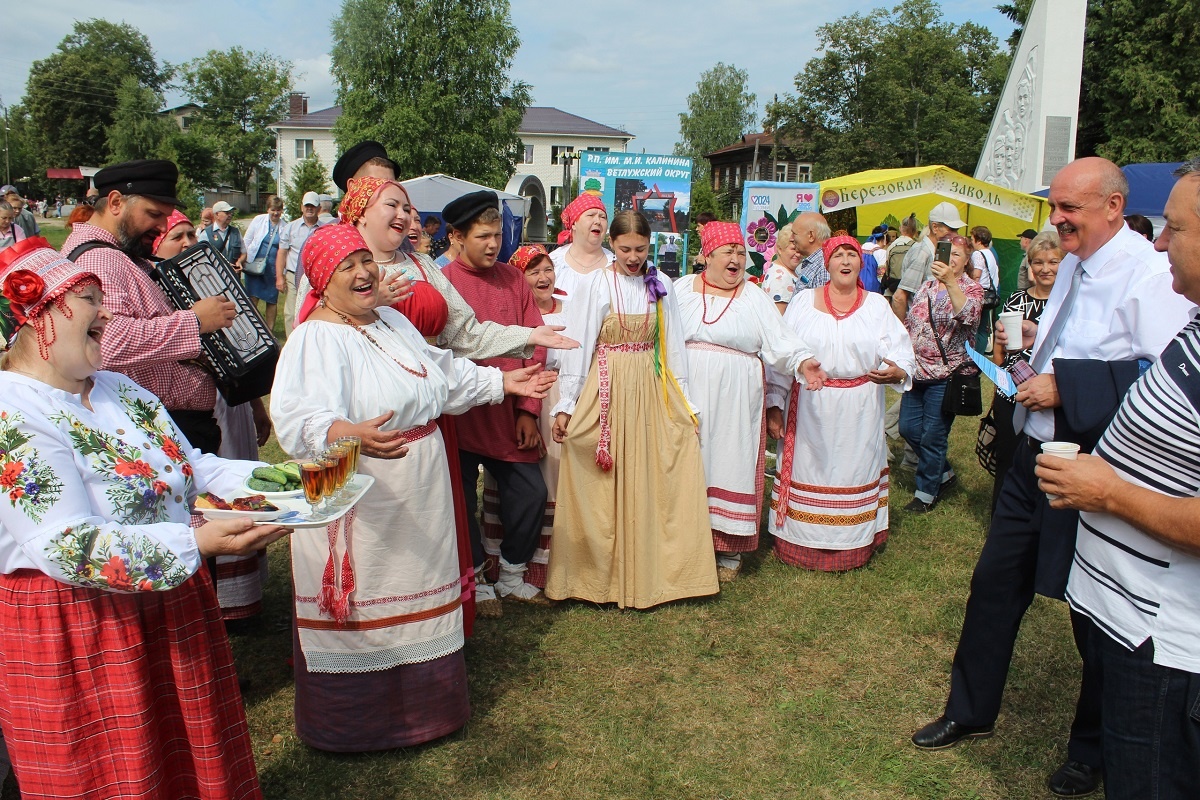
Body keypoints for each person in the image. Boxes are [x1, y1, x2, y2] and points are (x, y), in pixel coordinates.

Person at [910, 157, 1195, 799]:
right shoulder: (1070, 264)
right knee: (994, 582)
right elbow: (1085, 341)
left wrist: (1066, 383)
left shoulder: (1151, 275)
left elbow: (1162, 372)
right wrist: (1037, 344)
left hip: (1092, 467)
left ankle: (1090, 749)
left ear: (1114, 206)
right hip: (1032, 456)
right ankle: (970, 708)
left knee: (1095, 614)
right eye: (1054, 207)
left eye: (1070, 208)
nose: (1056, 219)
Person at [0, 238, 288, 798]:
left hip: (168, 604)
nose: (107, 314)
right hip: (84, 624)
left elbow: (192, 464)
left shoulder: (117, 387)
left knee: (184, 760)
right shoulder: (13, 413)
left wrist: (293, 485)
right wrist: (196, 544)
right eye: (89, 298)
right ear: (39, 317)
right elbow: (63, 544)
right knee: (116, 776)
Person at [270, 223, 555, 752]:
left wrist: (504, 382)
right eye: (345, 266)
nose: (361, 273)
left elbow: (442, 374)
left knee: (419, 588)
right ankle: (356, 726)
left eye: (364, 261)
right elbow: (296, 418)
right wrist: (346, 434)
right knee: (375, 595)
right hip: (365, 486)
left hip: (417, 483)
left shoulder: (389, 321)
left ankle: (429, 714)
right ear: (320, 281)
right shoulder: (316, 336)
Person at [331, 175, 578, 626]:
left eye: (408, 208)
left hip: (436, 407)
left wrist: (528, 336)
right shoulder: (338, 270)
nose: (406, 216)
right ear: (360, 213)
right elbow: (318, 337)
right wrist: (370, 303)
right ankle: (373, 620)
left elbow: (462, 335)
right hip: (372, 420)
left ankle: (434, 613)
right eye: (394, 205)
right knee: (384, 527)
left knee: (437, 512)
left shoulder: (422, 267)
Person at [1035, 158, 1200, 800]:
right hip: (1132, 624)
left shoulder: (1151, 283)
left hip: (1168, 647)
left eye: (1175, 229)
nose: (1158, 242)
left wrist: (1108, 492)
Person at [547, 210, 718, 608]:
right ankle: (595, 578)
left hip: (650, 382)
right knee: (597, 474)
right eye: (625, 248)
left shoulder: (662, 285)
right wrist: (568, 404)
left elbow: (672, 344)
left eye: (641, 248)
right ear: (612, 243)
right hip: (606, 383)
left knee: (656, 472)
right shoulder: (597, 284)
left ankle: (659, 574)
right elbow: (580, 345)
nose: (634, 256)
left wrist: (685, 401)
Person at [674, 221, 825, 580]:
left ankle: (728, 549)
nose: (737, 258)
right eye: (729, 251)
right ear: (708, 256)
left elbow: (780, 339)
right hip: (687, 390)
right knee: (687, 461)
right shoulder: (680, 289)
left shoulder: (754, 296)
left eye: (742, 252)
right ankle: (684, 540)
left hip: (736, 398)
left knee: (730, 459)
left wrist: (802, 360)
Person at [61, 159, 239, 455]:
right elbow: (109, 343)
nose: (161, 227)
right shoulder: (100, 259)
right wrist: (195, 322)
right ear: (116, 202)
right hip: (151, 429)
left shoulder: (119, 254)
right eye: (154, 214)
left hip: (160, 423)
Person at [152, 209, 272, 620]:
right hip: (186, 408)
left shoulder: (209, 281)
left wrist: (255, 402)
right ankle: (216, 601)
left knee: (232, 474)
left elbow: (240, 347)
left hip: (227, 402)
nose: (187, 244)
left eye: (190, 235)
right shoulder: (157, 296)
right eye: (176, 238)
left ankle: (240, 596)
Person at [767, 235, 914, 570]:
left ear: (861, 264)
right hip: (810, 407)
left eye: (852, 255)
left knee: (852, 471)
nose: (845, 261)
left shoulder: (876, 306)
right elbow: (782, 352)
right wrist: (775, 402)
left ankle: (851, 547)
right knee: (811, 469)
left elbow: (901, 350)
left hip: (859, 409)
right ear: (827, 263)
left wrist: (898, 371)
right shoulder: (803, 302)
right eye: (838, 256)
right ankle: (799, 545)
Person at [441, 191, 549, 607]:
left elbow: (535, 344)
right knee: (460, 500)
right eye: (483, 235)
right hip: (461, 414)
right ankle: (477, 583)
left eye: (498, 234)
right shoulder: (444, 281)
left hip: (508, 413)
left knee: (531, 493)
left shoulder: (514, 278)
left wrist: (527, 411)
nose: (493, 244)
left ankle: (511, 572)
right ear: (457, 236)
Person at [898, 233, 982, 514]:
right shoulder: (926, 287)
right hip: (917, 373)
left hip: (947, 375)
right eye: (945, 253)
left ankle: (925, 493)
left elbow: (968, 316)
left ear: (967, 260)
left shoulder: (972, 289)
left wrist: (950, 281)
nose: (949, 259)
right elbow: (913, 322)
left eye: (956, 255)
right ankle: (943, 472)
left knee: (933, 435)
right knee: (908, 428)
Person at [987, 231, 1061, 513]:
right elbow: (999, 351)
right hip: (1012, 391)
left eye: (1053, 262)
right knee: (1008, 454)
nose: (1045, 269)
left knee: (1042, 458)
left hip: (1050, 391)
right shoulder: (1017, 300)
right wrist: (998, 384)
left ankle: (1037, 516)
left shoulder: (1067, 302)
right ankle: (1001, 515)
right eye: (1038, 262)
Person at [891, 202, 965, 319]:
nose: (955, 234)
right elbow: (899, 297)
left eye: (956, 229)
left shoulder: (937, 252)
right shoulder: (922, 253)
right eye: (951, 229)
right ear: (935, 227)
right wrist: (903, 334)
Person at [275, 191, 322, 336]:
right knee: (290, 311)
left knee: (312, 309)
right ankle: (291, 342)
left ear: (319, 208)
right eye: (307, 206)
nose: (309, 209)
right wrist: (279, 277)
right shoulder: (290, 227)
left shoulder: (324, 229)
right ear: (301, 207)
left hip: (314, 277)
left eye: (313, 206)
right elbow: (282, 253)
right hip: (292, 275)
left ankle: (308, 339)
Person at [550, 193, 614, 297]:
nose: (598, 221)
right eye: (591, 215)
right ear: (574, 224)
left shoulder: (615, 265)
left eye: (603, 217)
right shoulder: (554, 263)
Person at [242, 195, 285, 333]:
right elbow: (247, 240)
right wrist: (243, 258)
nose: (276, 213)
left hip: (272, 268)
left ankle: (269, 330)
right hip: (254, 264)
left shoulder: (285, 226)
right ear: (268, 209)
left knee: (271, 300)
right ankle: (252, 328)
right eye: (273, 209)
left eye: (278, 210)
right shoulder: (258, 220)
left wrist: (281, 274)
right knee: (253, 297)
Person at [969, 225, 1000, 352]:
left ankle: (976, 355)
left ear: (978, 240)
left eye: (972, 239)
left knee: (976, 328)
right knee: (983, 328)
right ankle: (980, 354)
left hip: (980, 294)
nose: (971, 242)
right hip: (989, 294)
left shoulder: (978, 254)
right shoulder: (991, 254)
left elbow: (976, 275)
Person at [762, 222, 803, 313]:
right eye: (793, 249)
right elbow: (779, 319)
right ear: (780, 249)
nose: (798, 254)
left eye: (800, 250)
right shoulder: (780, 278)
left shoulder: (784, 271)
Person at [198, 201, 246, 272]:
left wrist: (239, 262)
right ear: (217, 214)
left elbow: (244, 253)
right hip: (216, 277)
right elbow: (201, 258)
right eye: (227, 213)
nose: (230, 215)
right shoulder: (205, 234)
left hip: (234, 276)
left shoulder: (236, 232)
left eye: (231, 213)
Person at [792, 211, 832, 291]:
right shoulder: (816, 262)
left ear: (811, 236)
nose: (791, 238)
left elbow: (823, 302)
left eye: (794, 234)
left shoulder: (823, 266)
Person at [1016, 227, 1038, 292]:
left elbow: (1031, 278)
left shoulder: (1029, 256)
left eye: (1021, 239)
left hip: (1025, 292)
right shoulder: (1032, 254)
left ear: (1026, 241)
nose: (1020, 242)